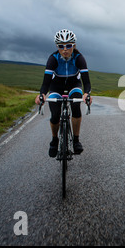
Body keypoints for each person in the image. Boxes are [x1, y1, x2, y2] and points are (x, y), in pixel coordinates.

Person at [35, 29, 92, 157]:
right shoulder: (53, 59)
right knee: (55, 115)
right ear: (57, 47)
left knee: (76, 108)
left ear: (74, 46)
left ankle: (76, 140)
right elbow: (45, 83)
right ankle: (54, 140)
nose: (65, 49)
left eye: (68, 46)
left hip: (74, 85)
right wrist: (42, 94)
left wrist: (87, 93)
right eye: (61, 46)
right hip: (56, 86)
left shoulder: (79, 58)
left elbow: (86, 82)